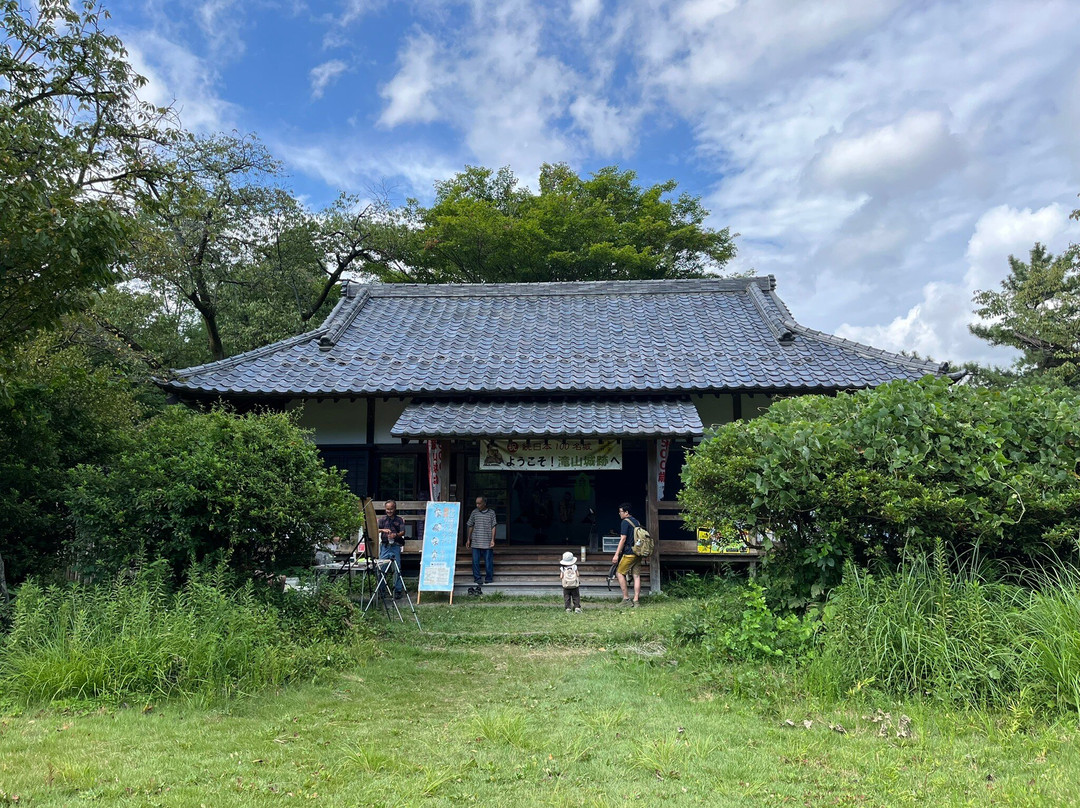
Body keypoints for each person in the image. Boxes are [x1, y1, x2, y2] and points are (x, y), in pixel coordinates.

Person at [612, 502, 641, 607]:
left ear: (626, 512)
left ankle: (626, 599)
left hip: (629, 553)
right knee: (636, 576)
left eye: (620, 512)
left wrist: (616, 554)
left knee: (619, 573)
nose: (619, 514)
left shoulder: (625, 522)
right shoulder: (636, 522)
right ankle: (636, 600)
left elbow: (623, 539)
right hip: (638, 552)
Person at [466, 495, 497, 588]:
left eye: (479, 503)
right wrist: (468, 539)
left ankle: (489, 578)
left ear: (484, 503)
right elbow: (470, 525)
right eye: (476, 503)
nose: (477, 505)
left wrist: (493, 540)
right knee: (475, 561)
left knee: (488, 561)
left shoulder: (491, 513)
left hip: (487, 541)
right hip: (475, 541)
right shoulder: (474, 512)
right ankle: (477, 578)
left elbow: (493, 527)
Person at [377, 499, 406, 599]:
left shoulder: (399, 520)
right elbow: (374, 529)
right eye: (387, 509)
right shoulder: (381, 520)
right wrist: (382, 530)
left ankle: (398, 590)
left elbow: (403, 531)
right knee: (381, 568)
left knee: (397, 568)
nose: (389, 511)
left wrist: (395, 535)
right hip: (385, 546)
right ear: (385, 509)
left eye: (391, 509)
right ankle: (381, 590)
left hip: (395, 546)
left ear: (395, 509)